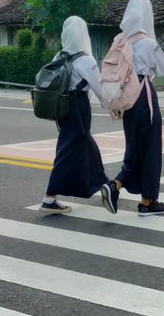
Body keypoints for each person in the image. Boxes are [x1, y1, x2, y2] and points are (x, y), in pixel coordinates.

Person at [40, 16, 116, 216]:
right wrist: (111, 107)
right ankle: (49, 197)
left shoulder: (59, 55)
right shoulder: (85, 59)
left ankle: (105, 184)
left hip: (63, 109)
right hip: (78, 107)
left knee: (86, 145)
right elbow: (99, 88)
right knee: (68, 150)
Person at [110, 0, 164, 216]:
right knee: (151, 148)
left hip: (126, 99)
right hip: (144, 96)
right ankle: (147, 202)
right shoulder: (147, 43)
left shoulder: (119, 40)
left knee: (134, 146)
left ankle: (115, 185)